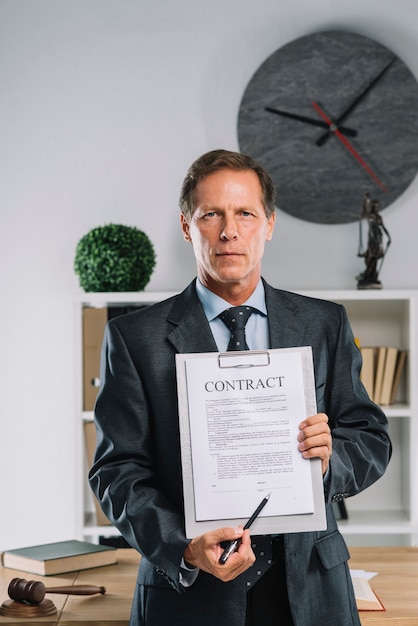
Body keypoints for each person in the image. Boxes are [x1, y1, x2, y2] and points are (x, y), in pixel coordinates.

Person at [89, 149, 391, 626]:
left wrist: (330, 459)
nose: (229, 230)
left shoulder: (323, 323)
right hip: (188, 594)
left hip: (310, 592)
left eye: (245, 213)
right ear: (188, 226)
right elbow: (117, 471)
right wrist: (185, 548)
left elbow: (371, 438)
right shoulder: (134, 338)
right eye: (212, 214)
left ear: (268, 224)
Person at [357, 192, 391, 289]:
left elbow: (383, 227)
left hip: (378, 237)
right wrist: (366, 198)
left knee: (375, 258)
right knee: (370, 257)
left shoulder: (379, 217)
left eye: (377, 206)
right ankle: (368, 275)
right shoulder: (370, 216)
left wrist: (389, 237)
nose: (375, 208)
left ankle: (372, 276)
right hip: (372, 238)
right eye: (374, 206)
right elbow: (365, 210)